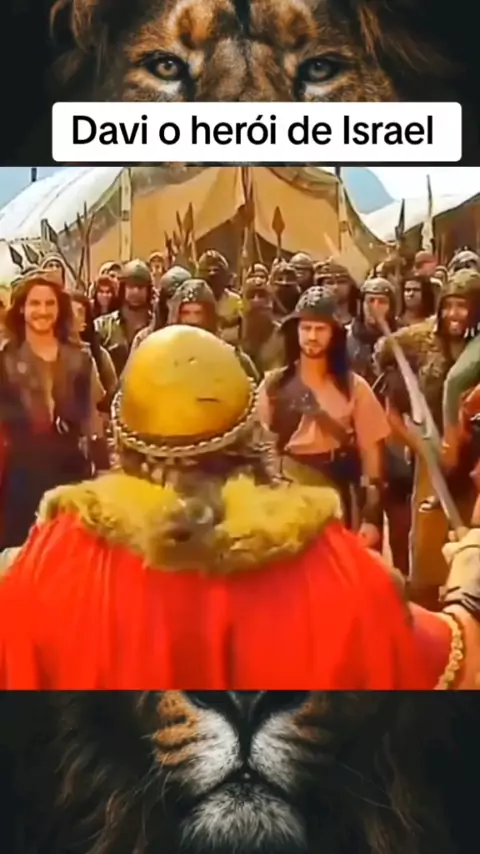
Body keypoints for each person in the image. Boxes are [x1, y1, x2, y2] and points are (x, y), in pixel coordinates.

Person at [1, 323, 480, 690]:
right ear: (252, 437)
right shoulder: (339, 567)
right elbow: (451, 660)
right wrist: (470, 581)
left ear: (122, 443)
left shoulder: (49, 565)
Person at [374, 268, 480, 608]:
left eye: (462, 306)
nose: (454, 314)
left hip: (475, 465)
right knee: (427, 555)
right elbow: (391, 413)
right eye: (448, 305)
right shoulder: (418, 344)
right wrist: (421, 447)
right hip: (432, 464)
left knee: (471, 557)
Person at [257, 286, 390, 548]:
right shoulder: (274, 385)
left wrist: (371, 516)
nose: (312, 336)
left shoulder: (353, 387)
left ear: (334, 334)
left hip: (335, 491)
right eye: (306, 328)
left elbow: (371, 457)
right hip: (287, 493)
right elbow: (260, 448)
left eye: (320, 329)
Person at [0, 270, 95, 549]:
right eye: (35, 303)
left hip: (70, 474)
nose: (43, 311)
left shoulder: (80, 358)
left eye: (50, 303)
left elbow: (90, 418)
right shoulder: (5, 360)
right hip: (20, 478)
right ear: (22, 309)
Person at [167, 278, 260, 382]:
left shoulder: (232, 358)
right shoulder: (165, 356)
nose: (192, 320)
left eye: (198, 313)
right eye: (186, 313)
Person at [95, 259, 154, 374]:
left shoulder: (155, 326)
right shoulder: (103, 326)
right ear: (123, 289)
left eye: (140, 287)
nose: (136, 292)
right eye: (131, 286)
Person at [240, 272, 285, 376]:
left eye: (261, 295)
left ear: (271, 302)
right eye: (251, 296)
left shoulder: (283, 336)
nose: (256, 300)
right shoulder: (230, 336)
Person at [196, 250, 243, 344]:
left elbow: (242, 332)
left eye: (216, 270)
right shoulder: (193, 302)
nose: (212, 274)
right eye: (207, 270)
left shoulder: (235, 301)